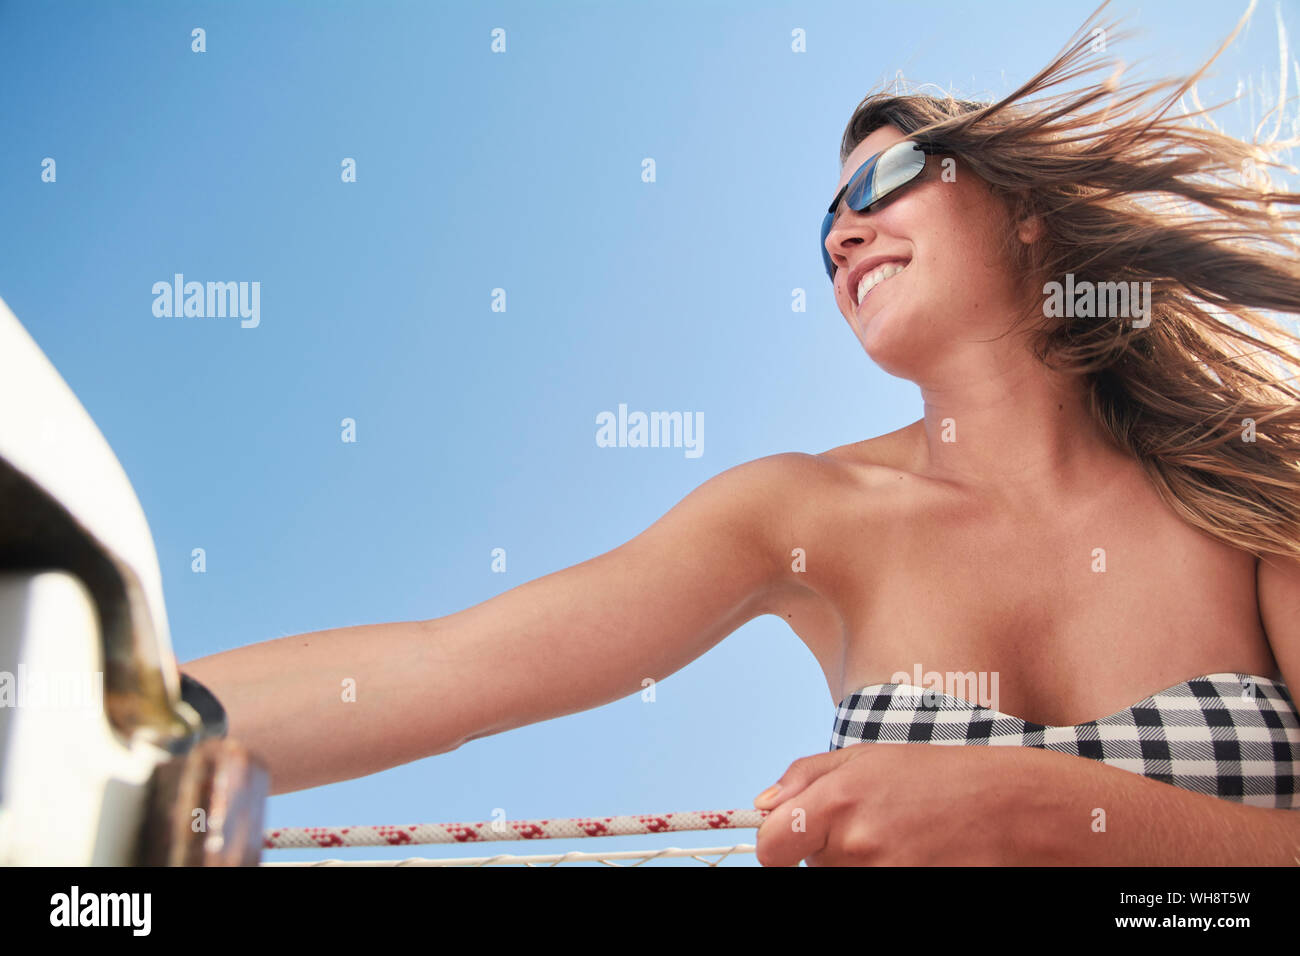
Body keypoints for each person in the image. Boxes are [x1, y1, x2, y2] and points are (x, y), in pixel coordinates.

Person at [182, 11, 1300, 865]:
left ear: (1024, 209)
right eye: (826, 230)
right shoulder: (801, 513)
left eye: (886, 177)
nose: (844, 231)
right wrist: (97, 716)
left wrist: (1041, 810)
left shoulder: (1251, 486)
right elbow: (447, 667)